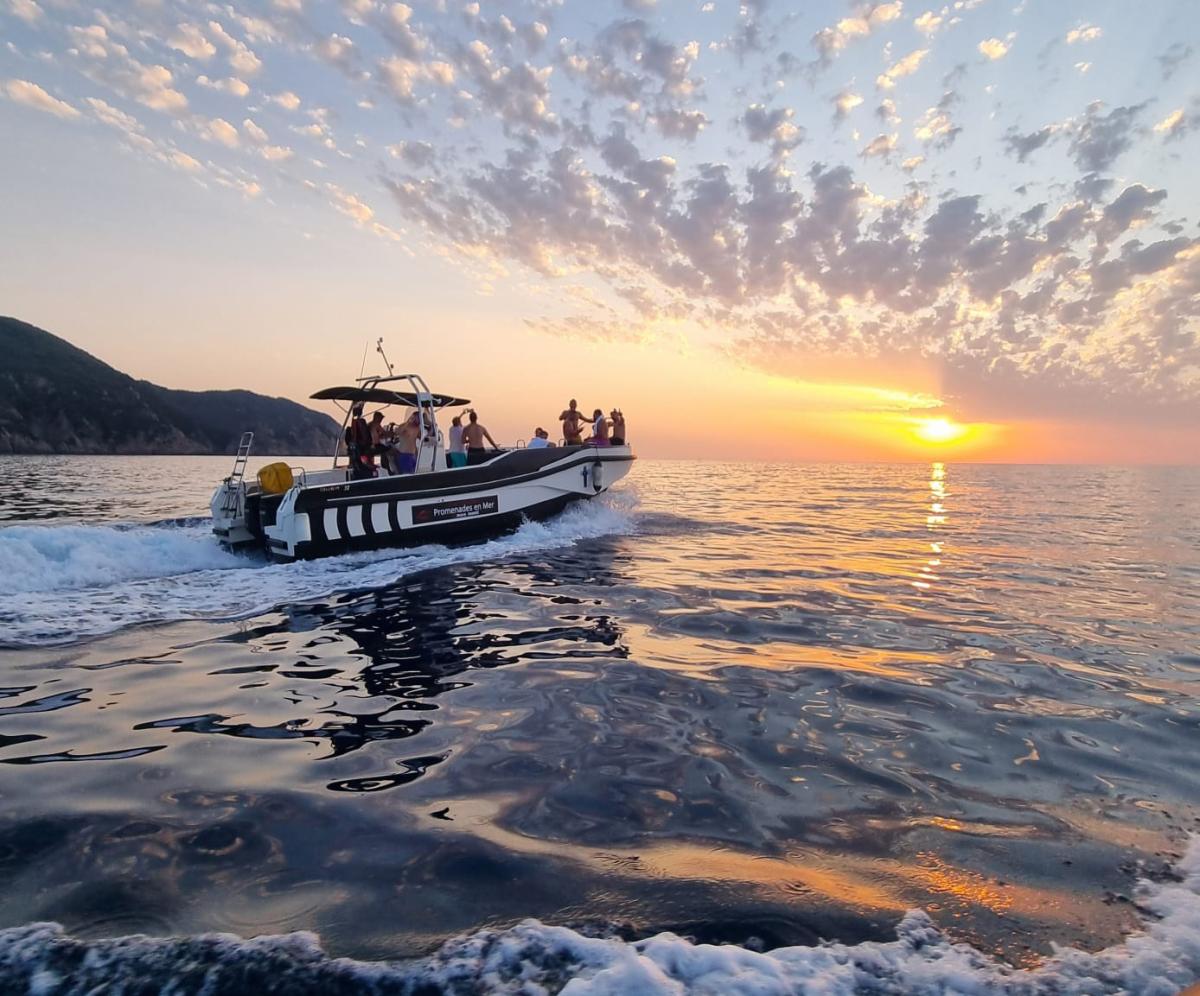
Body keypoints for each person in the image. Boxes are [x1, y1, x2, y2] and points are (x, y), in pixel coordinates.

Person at [345, 404, 375, 478]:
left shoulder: (353, 422)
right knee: (364, 470)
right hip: (361, 449)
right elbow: (364, 436)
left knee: (358, 468)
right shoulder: (361, 422)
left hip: (356, 449)